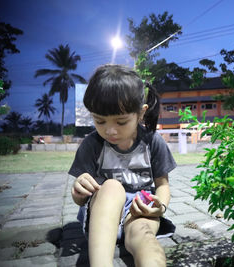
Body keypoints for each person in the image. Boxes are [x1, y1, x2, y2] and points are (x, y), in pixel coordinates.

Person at [69, 64, 177, 267]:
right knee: (111, 187)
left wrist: (159, 208)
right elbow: (79, 199)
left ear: (141, 113)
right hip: (103, 217)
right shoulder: (92, 145)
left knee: (145, 240)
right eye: (100, 121)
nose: (110, 131)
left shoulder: (152, 142)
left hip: (138, 213)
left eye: (121, 122)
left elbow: (162, 185)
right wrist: (78, 190)